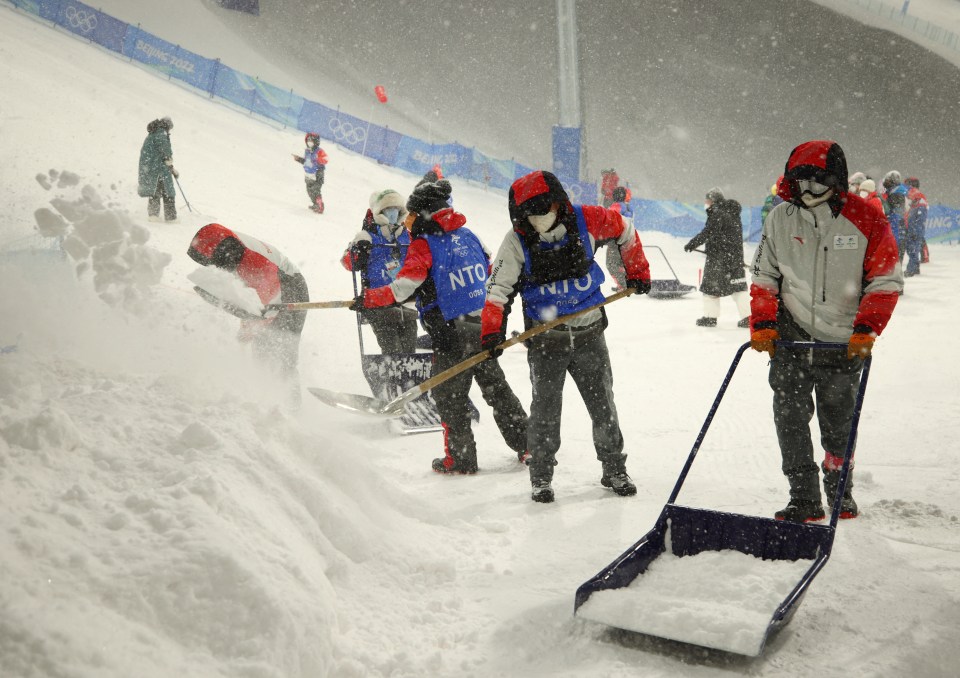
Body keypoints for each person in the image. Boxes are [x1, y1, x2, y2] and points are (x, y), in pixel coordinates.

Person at [749, 140, 903, 523]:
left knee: (839, 424)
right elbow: (764, 274)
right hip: (791, 339)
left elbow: (884, 280)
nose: (808, 191)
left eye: (819, 182)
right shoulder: (780, 218)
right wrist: (764, 322)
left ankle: (839, 494)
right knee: (790, 420)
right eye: (801, 182)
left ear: (836, 180)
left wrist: (867, 329)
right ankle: (803, 496)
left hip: (843, 344)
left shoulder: (867, 218)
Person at [480, 170, 651, 503]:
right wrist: (492, 332)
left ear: (558, 204)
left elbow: (625, 231)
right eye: (529, 215)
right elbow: (498, 289)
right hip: (546, 341)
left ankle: (614, 468)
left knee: (603, 407)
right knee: (544, 412)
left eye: (543, 212)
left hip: (589, 334)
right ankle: (541, 476)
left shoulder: (587, 220)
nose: (537, 220)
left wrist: (638, 270)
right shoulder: (516, 240)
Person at [356, 179, 528, 473]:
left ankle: (460, 460)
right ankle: (529, 446)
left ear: (425, 213)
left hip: (451, 333)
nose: (408, 221)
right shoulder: (469, 236)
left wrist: (368, 299)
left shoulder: (425, 245)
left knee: (449, 397)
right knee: (497, 389)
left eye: (412, 214)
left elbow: (402, 289)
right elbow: (488, 271)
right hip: (483, 326)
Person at [187, 223, 310, 406]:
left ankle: (291, 407)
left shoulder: (253, 261)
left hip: (291, 290)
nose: (212, 267)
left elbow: (262, 307)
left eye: (212, 262)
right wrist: (249, 322)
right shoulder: (231, 249)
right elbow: (248, 299)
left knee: (283, 354)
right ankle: (265, 402)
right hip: (271, 290)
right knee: (261, 351)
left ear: (220, 253)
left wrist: (252, 326)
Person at [340, 189, 418, 353]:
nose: (393, 214)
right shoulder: (367, 236)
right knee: (393, 350)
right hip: (377, 303)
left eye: (397, 210)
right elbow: (348, 263)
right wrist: (358, 251)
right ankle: (393, 377)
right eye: (388, 210)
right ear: (379, 212)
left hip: (406, 301)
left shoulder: (407, 236)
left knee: (409, 350)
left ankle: (406, 377)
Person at [684, 187, 751, 328]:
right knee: (738, 288)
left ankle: (710, 317)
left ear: (713, 201)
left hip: (718, 259)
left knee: (710, 288)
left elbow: (708, 232)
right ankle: (748, 317)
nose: (706, 203)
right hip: (735, 257)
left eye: (707, 200)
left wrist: (692, 244)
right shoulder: (733, 213)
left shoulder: (718, 213)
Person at [138, 117, 178, 223]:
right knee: (167, 191)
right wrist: (170, 162)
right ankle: (171, 217)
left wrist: (171, 167)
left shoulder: (153, 133)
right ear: (167, 126)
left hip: (151, 168)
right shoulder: (161, 133)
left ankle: (153, 215)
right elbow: (166, 151)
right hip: (158, 168)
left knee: (155, 191)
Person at [605, 185, 634, 289]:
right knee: (622, 264)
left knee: (611, 265)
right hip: (628, 240)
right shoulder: (628, 207)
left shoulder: (615, 206)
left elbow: (610, 224)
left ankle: (623, 285)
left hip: (615, 241)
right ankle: (626, 283)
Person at [292, 132, 328, 213]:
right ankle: (315, 204)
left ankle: (320, 206)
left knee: (316, 189)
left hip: (318, 173)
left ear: (316, 142)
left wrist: (317, 160)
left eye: (311, 141)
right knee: (309, 191)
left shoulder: (319, 151)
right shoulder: (307, 151)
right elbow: (307, 162)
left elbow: (326, 159)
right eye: (308, 140)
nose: (309, 142)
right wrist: (298, 159)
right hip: (309, 174)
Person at [882, 170, 908, 262]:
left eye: (888, 180)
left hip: (896, 225)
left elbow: (893, 212)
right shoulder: (898, 191)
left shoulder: (896, 193)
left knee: (896, 251)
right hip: (899, 225)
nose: (886, 182)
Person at [904, 186, 928, 277]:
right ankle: (916, 268)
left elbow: (919, 222)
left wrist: (914, 232)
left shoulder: (920, 207)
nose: (909, 199)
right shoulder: (914, 206)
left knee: (913, 251)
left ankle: (910, 270)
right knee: (912, 251)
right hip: (912, 232)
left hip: (915, 233)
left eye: (910, 197)